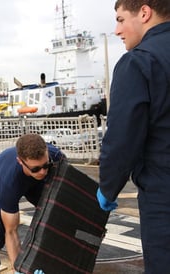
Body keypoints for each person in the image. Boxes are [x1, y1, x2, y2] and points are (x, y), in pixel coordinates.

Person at [97, 1, 170, 273]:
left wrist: (107, 188)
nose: (117, 30)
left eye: (120, 19)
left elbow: (122, 141)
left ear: (144, 12)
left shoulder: (139, 62)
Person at [0, 133, 65, 274]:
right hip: (1, 176)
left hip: (32, 180)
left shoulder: (57, 158)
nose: (43, 172)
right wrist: (18, 269)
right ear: (21, 161)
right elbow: (11, 231)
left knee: (54, 210)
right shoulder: (11, 180)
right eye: (36, 168)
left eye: (46, 165)